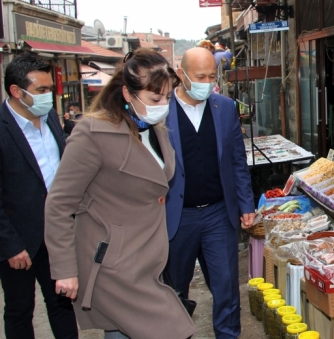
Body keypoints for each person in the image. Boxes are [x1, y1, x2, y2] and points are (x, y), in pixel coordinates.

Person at [44, 49, 197, 339]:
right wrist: (65, 269)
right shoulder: (93, 132)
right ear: (128, 94)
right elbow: (59, 204)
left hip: (149, 259)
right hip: (114, 266)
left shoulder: (154, 129)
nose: (163, 105)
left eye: (167, 97)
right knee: (174, 331)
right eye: (155, 99)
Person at [166, 47, 255, 338]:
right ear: (182, 75)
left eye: (212, 76)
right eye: (200, 76)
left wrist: (246, 204)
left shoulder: (225, 107)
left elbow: (237, 161)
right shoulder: (161, 111)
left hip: (219, 213)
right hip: (177, 217)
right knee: (173, 289)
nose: (206, 81)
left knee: (227, 287)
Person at [0, 53, 78, 339]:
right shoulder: (3, 128)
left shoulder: (51, 119)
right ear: (16, 92)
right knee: (20, 309)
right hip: (18, 241)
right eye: (41, 91)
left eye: (50, 90)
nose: (49, 96)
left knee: (62, 303)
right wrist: (9, 245)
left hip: (57, 234)